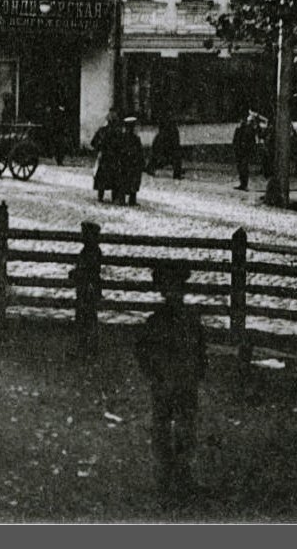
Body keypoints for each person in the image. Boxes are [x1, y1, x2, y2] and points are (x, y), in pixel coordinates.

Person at [134, 261, 207, 500]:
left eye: (179, 290)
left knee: (178, 427)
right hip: (171, 382)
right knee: (168, 428)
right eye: (173, 290)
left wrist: (195, 373)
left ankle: (178, 476)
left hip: (178, 382)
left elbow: (200, 352)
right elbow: (143, 352)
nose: (177, 295)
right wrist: (155, 375)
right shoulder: (165, 321)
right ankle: (169, 477)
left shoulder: (182, 321)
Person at [91, 110, 122, 204]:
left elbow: (93, 143)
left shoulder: (102, 131)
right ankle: (114, 197)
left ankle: (100, 196)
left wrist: (99, 149)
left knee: (102, 177)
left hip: (104, 157)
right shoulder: (118, 132)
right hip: (114, 158)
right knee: (114, 177)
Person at [115, 115, 146, 206]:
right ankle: (124, 199)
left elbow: (139, 151)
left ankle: (130, 199)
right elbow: (118, 149)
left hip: (130, 162)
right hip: (126, 161)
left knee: (132, 180)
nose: (131, 129)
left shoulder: (133, 138)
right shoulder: (124, 138)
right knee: (126, 179)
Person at [151, 113, 183, 180]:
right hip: (166, 152)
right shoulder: (171, 132)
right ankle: (177, 173)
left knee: (159, 161)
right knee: (175, 159)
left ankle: (151, 168)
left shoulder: (163, 134)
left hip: (166, 152)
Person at [232, 112, 259, 192]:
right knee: (241, 167)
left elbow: (251, 141)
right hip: (241, 150)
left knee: (243, 167)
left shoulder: (247, 129)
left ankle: (244, 184)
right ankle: (243, 184)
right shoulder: (241, 129)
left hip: (244, 151)